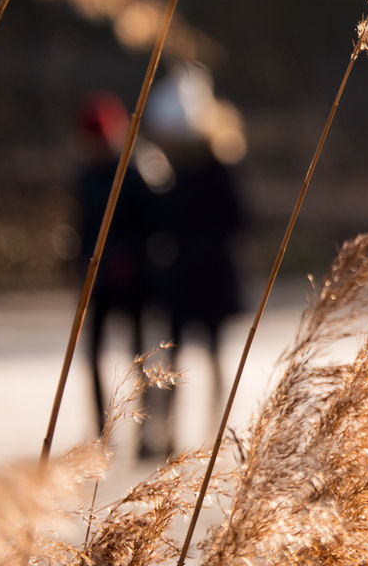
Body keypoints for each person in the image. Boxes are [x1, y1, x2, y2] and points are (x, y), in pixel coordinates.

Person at [144, 63, 247, 456]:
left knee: (208, 351)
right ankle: (169, 429)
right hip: (190, 275)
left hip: (204, 273)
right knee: (180, 352)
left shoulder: (213, 168)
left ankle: (214, 425)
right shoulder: (175, 170)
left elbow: (236, 219)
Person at [71, 90, 159, 438]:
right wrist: (79, 262)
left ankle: (146, 429)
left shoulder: (136, 171)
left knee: (140, 354)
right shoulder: (85, 176)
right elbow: (82, 225)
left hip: (134, 278)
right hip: (98, 278)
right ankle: (100, 430)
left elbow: (153, 226)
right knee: (92, 354)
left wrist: (134, 258)